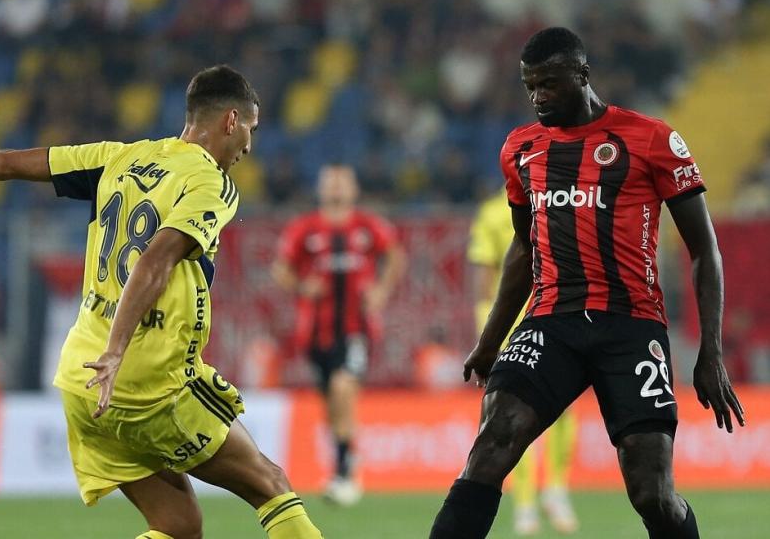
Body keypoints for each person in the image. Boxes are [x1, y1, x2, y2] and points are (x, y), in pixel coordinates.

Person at [0, 65, 323, 539]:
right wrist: (117, 351)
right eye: (251, 129)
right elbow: (154, 261)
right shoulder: (211, 183)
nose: (249, 145)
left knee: (177, 525)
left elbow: (6, 165)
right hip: (145, 383)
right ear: (231, 121)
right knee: (272, 486)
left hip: (80, 381)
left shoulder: (118, 157)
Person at [430, 27, 745, 539]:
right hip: (551, 322)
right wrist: (490, 341)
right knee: (491, 445)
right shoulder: (521, 149)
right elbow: (524, 249)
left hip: (631, 326)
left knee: (651, 492)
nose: (538, 97)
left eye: (549, 84)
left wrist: (710, 352)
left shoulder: (651, 139)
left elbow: (704, 250)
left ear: (582, 75)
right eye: (530, 86)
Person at [271, 164, 405, 506]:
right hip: (315, 333)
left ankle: (344, 470)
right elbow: (280, 269)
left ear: (354, 189)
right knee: (332, 401)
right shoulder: (305, 229)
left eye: (342, 183)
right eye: (330, 183)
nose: (336, 189)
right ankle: (346, 457)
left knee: (343, 385)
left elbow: (395, 256)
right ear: (320, 189)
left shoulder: (367, 226)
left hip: (357, 328)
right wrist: (302, 287)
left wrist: (381, 291)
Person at [468, 188, 578, 535]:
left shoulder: (561, 197)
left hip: (555, 316)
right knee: (515, 413)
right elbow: (485, 276)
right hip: (513, 325)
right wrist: (487, 330)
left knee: (564, 410)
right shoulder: (492, 212)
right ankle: (525, 503)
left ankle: (556, 489)